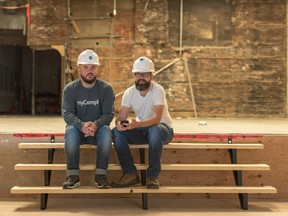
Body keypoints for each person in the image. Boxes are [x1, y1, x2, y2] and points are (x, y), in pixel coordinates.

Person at [111, 57, 174, 189]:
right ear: (134, 75)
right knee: (116, 132)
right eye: (138, 74)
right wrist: (119, 124)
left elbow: (156, 119)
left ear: (151, 76)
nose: (141, 77)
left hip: (163, 130)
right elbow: (121, 117)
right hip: (144, 130)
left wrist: (136, 125)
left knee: (155, 129)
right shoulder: (129, 93)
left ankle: (152, 176)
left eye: (145, 74)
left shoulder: (158, 90)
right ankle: (130, 173)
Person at [62, 49, 115, 189]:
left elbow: (108, 114)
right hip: (78, 130)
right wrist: (81, 125)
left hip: (98, 130)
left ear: (97, 69)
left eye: (93, 67)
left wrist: (96, 125)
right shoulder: (70, 89)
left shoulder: (106, 89)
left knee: (106, 131)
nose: (89, 71)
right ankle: (73, 176)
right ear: (79, 69)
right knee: (71, 131)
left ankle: (101, 175)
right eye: (85, 67)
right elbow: (67, 113)